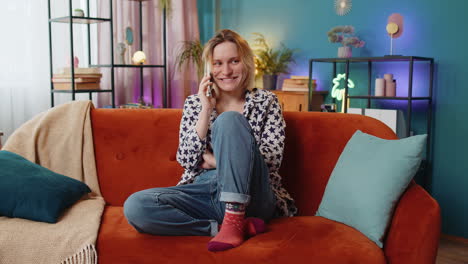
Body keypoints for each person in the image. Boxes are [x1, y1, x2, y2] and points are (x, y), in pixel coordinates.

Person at [123, 29, 297, 252]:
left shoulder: (266, 101)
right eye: (218, 63)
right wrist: (206, 109)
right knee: (136, 206)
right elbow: (186, 160)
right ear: (210, 68)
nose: (226, 71)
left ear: (245, 63)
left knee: (229, 121)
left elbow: (272, 159)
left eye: (233, 61)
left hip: (254, 195)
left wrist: (215, 161)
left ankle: (235, 214)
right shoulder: (195, 104)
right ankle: (225, 227)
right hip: (206, 192)